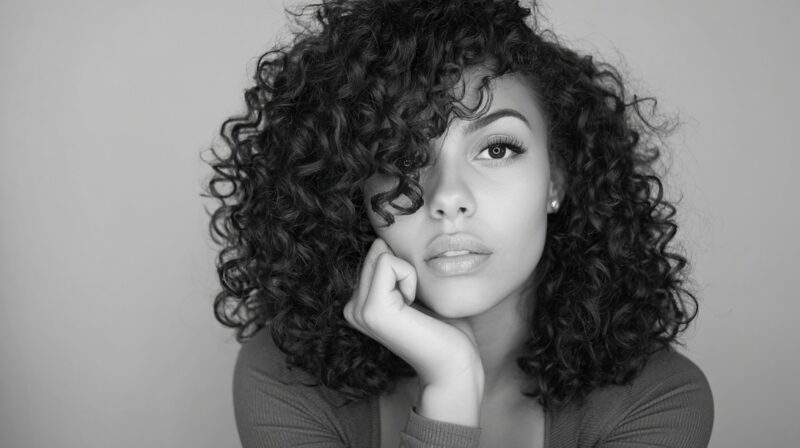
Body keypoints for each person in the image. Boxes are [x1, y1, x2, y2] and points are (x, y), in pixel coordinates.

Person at [204, 0, 714, 446]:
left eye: (496, 149)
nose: (447, 197)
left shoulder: (658, 401)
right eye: (400, 155)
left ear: (555, 182)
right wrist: (451, 383)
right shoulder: (284, 378)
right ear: (350, 189)